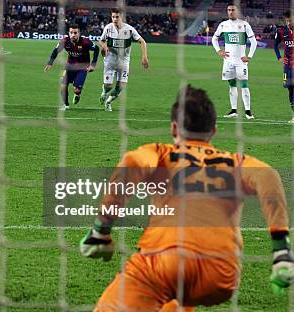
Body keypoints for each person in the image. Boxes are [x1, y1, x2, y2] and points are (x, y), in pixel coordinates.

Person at [80, 85, 292, 311]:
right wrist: (281, 250)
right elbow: (268, 176)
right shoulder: (235, 161)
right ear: (214, 131)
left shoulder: (161, 153)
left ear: (173, 128)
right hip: (222, 274)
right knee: (177, 301)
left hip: (165, 262)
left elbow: (132, 162)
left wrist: (101, 232)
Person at [211, 3, 257, 119]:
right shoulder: (223, 25)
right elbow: (214, 38)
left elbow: (254, 42)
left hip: (241, 61)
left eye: (233, 10)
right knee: (232, 85)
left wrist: (249, 56)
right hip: (228, 61)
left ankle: (248, 112)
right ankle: (234, 110)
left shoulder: (244, 25)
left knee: (244, 85)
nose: (230, 12)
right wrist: (219, 51)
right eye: (229, 10)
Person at [98, 8, 149, 112]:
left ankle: (108, 102)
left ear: (122, 17)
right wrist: (104, 47)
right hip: (110, 60)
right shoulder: (108, 28)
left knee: (120, 87)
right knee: (108, 86)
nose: (115, 19)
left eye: (117, 17)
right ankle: (104, 92)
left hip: (124, 61)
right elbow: (101, 40)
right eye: (113, 17)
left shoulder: (129, 29)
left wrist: (144, 57)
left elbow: (142, 42)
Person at [44, 24, 99, 110]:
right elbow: (56, 50)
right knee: (63, 85)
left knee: (76, 90)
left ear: (79, 33)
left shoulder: (85, 42)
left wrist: (93, 64)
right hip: (69, 66)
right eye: (71, 32)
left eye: (75, 33)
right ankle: (65, 104)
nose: (73, 35)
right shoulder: (65, 41)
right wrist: (50, 63)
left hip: (82, 67)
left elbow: (96, 49)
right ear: (68, 33)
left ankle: (77, 94)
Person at [273, 11, 294, 124]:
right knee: (290, 89)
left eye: (290, 20)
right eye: (287, 21)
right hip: (287, 66)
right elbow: (275, 45)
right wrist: (279, 57)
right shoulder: (282, 31)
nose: (289, 23)